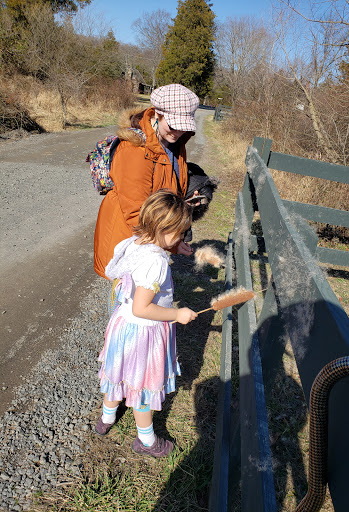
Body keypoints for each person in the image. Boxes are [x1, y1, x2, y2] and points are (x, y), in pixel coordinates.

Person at [95, 190, 198, 458]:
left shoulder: (136, 242)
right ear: (164, 229)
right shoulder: (156, 262)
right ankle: (146, 440)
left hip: (123, 324)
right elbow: (143, 308)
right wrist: (177, 314)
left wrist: (174, 247)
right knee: (141, 387)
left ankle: (106, 419)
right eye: (180, 234)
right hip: (143, 333)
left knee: (118, 374)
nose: (183, 238)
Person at [94, 83, 201, 280]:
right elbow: (136, 212)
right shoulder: (134, 150)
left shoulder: (173, 142)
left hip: (150, 239)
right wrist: (171, 242)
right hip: (129, 240)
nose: (177, 132)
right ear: (157, 114)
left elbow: (172, 185)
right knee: (131, 306)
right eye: (173, 124)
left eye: (183, 127)